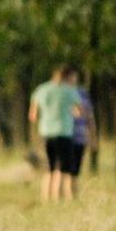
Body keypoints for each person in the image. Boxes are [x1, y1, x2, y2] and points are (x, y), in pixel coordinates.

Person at [28, 64, 82, 201]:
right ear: (67, 77)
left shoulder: (41, 89)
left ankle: (46, 198)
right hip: (64, 132)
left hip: (46, 132)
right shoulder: (70, 91)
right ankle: (61, 198)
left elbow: (32, 116)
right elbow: (79, 112)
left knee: (49, 168)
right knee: (64, 169)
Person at [69, 69, 96, 198]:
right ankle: (66, 196)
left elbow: (89, 116)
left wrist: (92, 136)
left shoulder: (83, 94)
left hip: (80, 136)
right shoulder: (60, 94)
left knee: (75, 170)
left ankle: (72, 195)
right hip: (65, 136)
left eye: (73, 77)